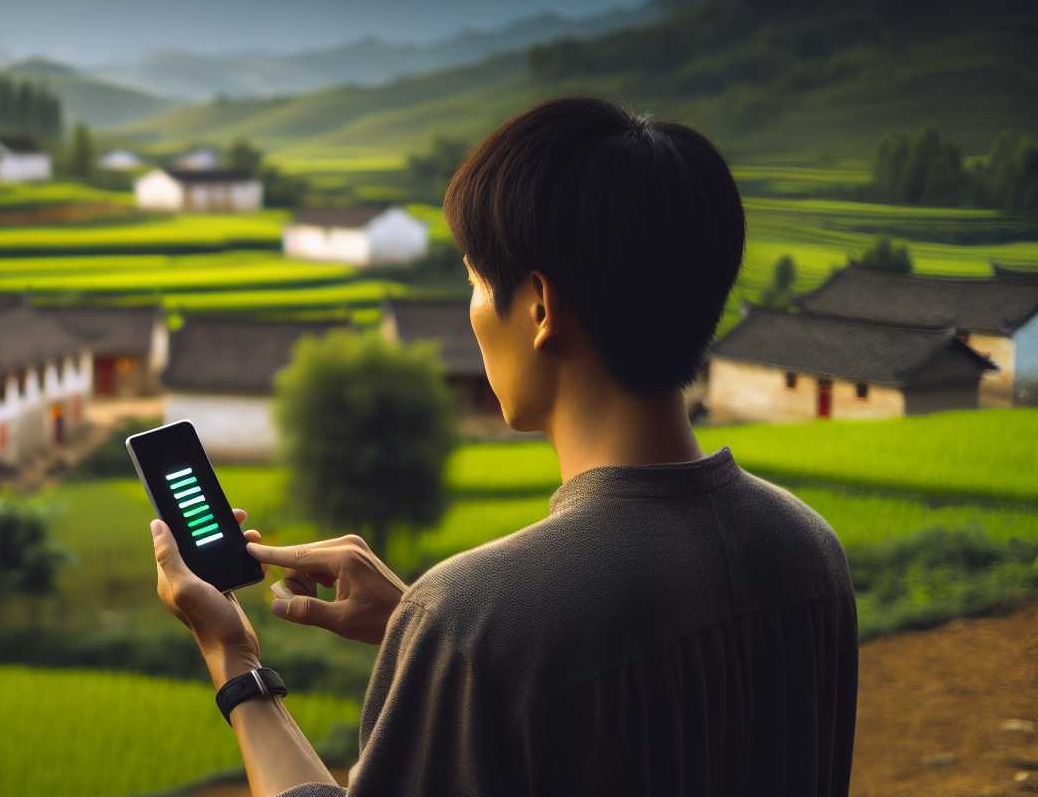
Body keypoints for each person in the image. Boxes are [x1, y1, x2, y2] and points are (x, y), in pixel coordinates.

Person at [148, 97, 857, 796]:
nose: (473, 310)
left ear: (541, 308)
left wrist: (234, 658)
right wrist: (424, 636)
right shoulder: (807, 550)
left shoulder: (478, 618)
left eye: (477, 281)